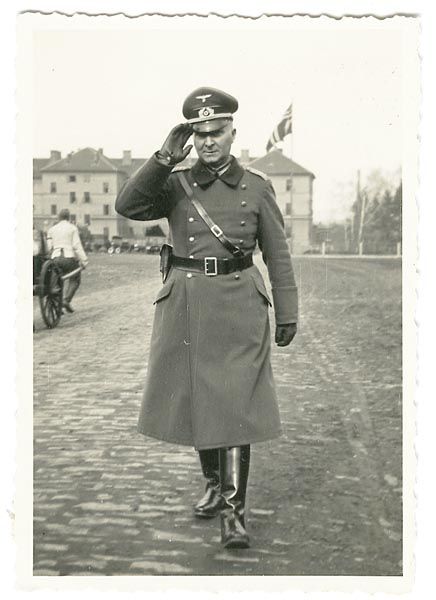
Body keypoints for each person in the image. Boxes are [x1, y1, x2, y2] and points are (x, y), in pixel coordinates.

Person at [115, 87, 298, 549]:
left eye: (217, 132)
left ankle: (235, 513)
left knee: (234, 405)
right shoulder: (174, 182)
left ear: (233, 131)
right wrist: (161, 158)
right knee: (200, 398)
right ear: (190, 136)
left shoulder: (257, 186)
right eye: (199, 134)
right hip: (187, 303)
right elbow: (129, 207)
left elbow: (277, 254)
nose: (209, 142)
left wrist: (288, 312)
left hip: (239, 304)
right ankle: (216, 487)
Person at [46, 208, 88, 313]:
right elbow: (76, 245)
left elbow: (49, 247)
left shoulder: (52, 229)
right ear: (68, 218)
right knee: (75, 279)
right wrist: (84, 260)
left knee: (57, 280)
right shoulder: (72, 228)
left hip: (55, 259)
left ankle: (57, 302)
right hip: (69, 258)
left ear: (59, 218)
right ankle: (66, 300)